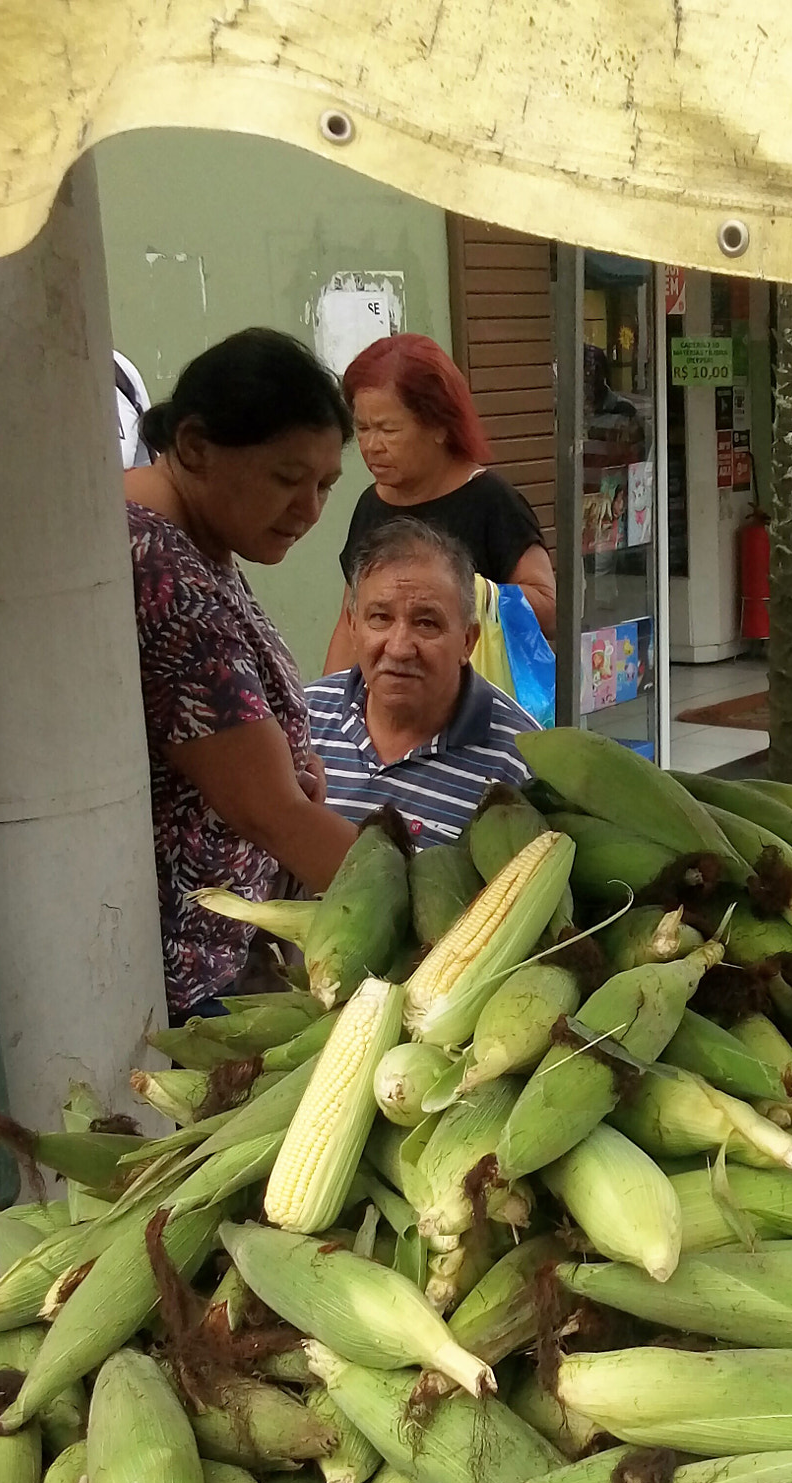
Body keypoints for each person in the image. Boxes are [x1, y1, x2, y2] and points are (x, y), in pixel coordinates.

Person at [126, 328, 359, 1021]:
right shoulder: (166, 582)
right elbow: (272, 813)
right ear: (195, 446)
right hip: (193, 976)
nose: (310, 511)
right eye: (288, 480)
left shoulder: (199, 538)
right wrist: (440, 906)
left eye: (324, 486)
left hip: (231, 947)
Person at [321, 334, 555, 674]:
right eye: (363, 428)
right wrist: (324, 711)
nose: (371, 446)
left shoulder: (490, 499)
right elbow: (351, 621)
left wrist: (466, 594)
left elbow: (548, 608)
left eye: (388, 429)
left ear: (440, 426)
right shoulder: (371, 504)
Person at [307, 517, 540, 841]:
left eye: (426, 623)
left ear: (467, 640)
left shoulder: (519, 761)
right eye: (380, 618)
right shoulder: (302, 721)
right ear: (353, 625)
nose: (400, 648)